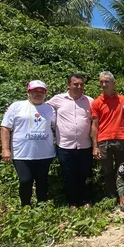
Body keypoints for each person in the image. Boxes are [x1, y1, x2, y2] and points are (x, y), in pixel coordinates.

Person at [0, 80, 56, 206]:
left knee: (42, 180)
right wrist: (5, 149)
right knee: (25, 180)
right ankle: (25, 206)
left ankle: (42, 206)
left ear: (45, 93)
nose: (38, 94)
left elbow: (59, 126)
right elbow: (5, 128)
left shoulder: (50, 109)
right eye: (35, 91)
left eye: (41, 91)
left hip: (45, 153)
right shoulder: (16, 106)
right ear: (28, 92)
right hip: (22, 153)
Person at [47, 74, 93, 208]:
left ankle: (85, 201)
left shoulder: (89, 101)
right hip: (65, 146)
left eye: (81, 84)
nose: (79, 86)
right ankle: (72, 202)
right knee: (69, 176)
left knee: (85, 175)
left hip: (85, 145)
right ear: (68, 85)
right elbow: (40, 108)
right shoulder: (57, 100)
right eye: (75, 84)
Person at [91, 71, 124, 197]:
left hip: (121, 139)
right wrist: (95, 146)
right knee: (107, 171)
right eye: (101, 81)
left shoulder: (123, 100)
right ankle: (110, 197)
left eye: (106, 81)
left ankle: (123, 195)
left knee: (122, 169)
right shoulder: (96, 102)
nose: (104, 84)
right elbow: (94, 125)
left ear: (114, 83)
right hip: (103, 141)